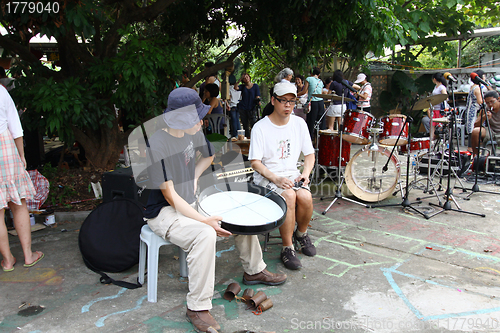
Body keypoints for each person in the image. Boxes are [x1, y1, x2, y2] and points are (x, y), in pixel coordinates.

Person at [144, 87, 286, 332]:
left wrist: (196, 177)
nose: (202, 120)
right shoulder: (157, 145)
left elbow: (207, 157)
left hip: (189, 199)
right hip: (163, 211)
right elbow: (170, 196)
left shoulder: (193, 131)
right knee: (205, 233)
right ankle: (197, 307)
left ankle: (254, 270)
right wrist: (204, 220)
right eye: (196, 116)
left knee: (236, 212)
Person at [249, 81, 316, 270]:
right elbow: (255, 162)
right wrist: (275, 178)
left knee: (305, 195)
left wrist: (305, 174)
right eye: (283, 101)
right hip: (267, 178)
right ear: (273, 100)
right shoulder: (260, 127)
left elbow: (310, 155)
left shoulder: (299, 123)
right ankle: (287, 247)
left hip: (292, 175)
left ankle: (301, 234)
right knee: (289, 195)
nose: (288, 105)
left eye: (292, 101)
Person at [0, 85, 44, 272]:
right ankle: (28, 255)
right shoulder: (1, 91)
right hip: (5, 146)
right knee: (19, 203)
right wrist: (21, 155)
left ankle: (8, 260)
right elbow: (16, 128)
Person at [469, 90, 500, 155]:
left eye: (492, 101)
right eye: (488, 103)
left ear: (498, 99)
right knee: (475, 132)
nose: (490, 105)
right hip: (491, 131)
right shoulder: (485, 109)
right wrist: (483, 118)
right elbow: (476, 125)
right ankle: (476, 157)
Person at [234, 73, 261, 138]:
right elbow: (235, 88)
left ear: (249, 77)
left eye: (247, 77)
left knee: (253, 124)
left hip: (252, 107)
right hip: (243, 107)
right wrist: (239, 80)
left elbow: (257, 96)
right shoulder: (242, 87)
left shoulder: (255, 86)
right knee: (245, 125)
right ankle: (248, 139)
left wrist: (258, 101)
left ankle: (255, 138)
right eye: (244, 78)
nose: (246, 78)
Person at [300, 67, 325, 138]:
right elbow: (321, 93)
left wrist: (296, 94)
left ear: (311, 73)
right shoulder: (321, 81)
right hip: (320, 103)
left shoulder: (309, 79)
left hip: (313, 103)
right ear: (319, 74)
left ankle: (309, 140)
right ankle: (319, 141)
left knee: (310, 123)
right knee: (320, 123)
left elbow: (304, 91)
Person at [427, 73, 448, 140]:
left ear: (434, 79)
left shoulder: (442, 87)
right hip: (434, 108)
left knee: (440, 124)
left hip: (439, 109)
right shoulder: (436, 87)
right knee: (432, 124)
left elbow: (445, 97)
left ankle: (440, 139)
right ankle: (431, 139)